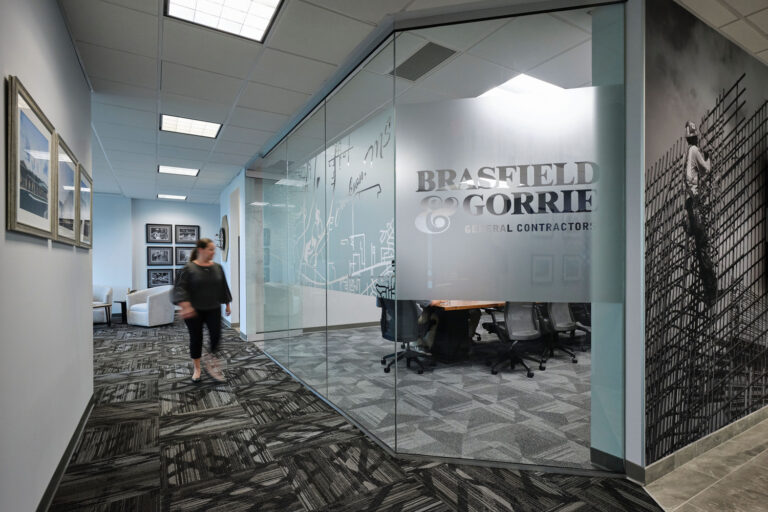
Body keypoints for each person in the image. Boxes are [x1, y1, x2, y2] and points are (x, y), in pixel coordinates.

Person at [173, 238, 232, 382]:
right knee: (196, 339)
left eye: (214, 250)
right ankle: (197, 368)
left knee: (216, 337)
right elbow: (179, 289)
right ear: (201, 250)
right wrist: (185, 306)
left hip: (213, 308)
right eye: (210, 249)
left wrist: (227, 304)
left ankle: (210, 361)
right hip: (194, 311)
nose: (213, 252)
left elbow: (223, 286)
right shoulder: (188, 268)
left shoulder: (217, 267)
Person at [682, 121, 718, 306]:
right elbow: (706, 169)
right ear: (695, 137)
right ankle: (712, 290)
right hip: (694, 203)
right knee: (703, 247)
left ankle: (709, 291)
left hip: (689, 205)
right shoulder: (695, 151)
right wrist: (709, 156)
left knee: (699, 248)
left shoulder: (687, 154)